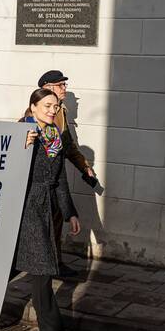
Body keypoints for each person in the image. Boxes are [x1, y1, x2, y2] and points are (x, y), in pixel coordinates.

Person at [15, 88, 83, 331]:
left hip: (47, 205)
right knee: (42, 267)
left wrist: (70, 212)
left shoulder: (54, 134)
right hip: (27, 207)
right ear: (32, 106)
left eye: (55, 106)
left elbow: (61, 179)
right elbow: (7, 166)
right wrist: (23, 147)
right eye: (46, 105)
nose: (52, 110)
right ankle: (50, 330)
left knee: (20, 265)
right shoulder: (23, 132)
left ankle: (51, 328)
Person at [38, 70, 95, 278]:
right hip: (41, 183)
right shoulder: (35, 113)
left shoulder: (60, 112)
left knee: (56, 221)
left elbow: (68, 145)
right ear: (47, 88)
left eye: (64, 85)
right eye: (60, 85)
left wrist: (84, 166)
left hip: (55, 179)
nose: (64, 89)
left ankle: (55, 263)